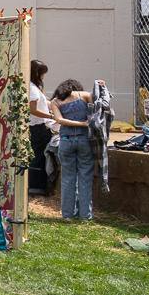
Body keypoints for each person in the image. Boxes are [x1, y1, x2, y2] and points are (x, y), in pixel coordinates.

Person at [51, 79, 96, 222]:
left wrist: (78, 123)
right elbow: (97, 105)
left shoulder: (55, 102)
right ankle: (85, 215)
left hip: (65, 140)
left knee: (67, 178)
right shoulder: (83, 95)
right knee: (85, 177)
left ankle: (67, 215)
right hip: (84, 141)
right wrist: (84, 123)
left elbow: (59, 120)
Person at [26, 60, 54, 197]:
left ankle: (37, 185)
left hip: (39, 125)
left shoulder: (34, 87)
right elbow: (33, 110)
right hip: (38, 127)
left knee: (40, 155)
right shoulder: (32, 88)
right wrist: (51, 116)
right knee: (39, 156)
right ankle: (36, 186)